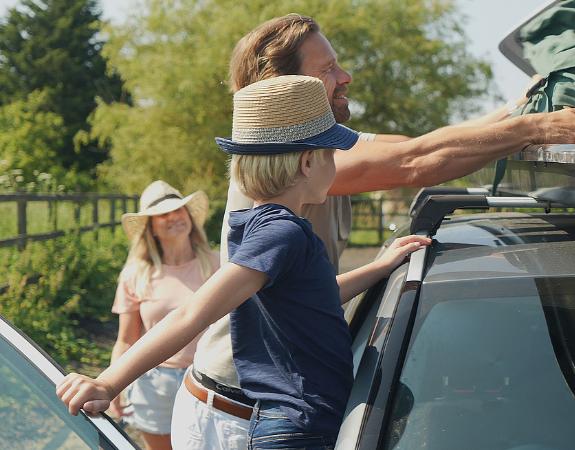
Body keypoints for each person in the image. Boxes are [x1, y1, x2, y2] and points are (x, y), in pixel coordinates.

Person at [174, 13, 575, 450]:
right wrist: (532, 129)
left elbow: (410, 145)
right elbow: (414, 163)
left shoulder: (322, 145)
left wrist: (517, 112)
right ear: (284, 88)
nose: (345, 77)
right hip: (240, 415)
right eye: (326, 70)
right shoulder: (289, 160)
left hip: (274, 409)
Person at [57, 75, 431, 450]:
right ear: (307, 161)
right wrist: (107, 382)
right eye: (332, 154)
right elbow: (192, 315)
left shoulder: (258, 225)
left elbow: (313, 296)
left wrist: (381, 267)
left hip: (299, 421)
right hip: (298, 427)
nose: (336, 164)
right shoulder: (281, 233)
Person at [109, 180, 219, 450]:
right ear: (151, 228)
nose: (174, 217)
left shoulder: (219, 264)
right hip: (155, 382)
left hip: (211, 377)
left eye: (179, 210)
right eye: (163, 214)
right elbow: (126, 339)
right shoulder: (136, 274)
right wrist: (112, 385)